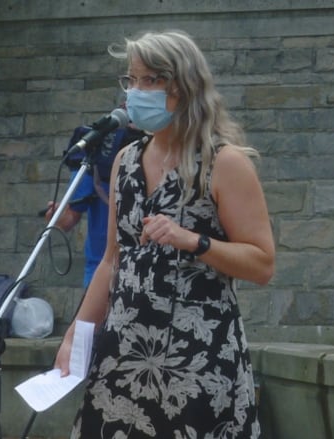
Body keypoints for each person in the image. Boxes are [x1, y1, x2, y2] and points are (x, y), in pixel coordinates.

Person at [53, 29, 275, 438]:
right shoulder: (126, 161)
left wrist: (195, 241)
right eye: (131, 80)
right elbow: (111, 261)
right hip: (123, 354)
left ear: (184, 87)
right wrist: (75, 335)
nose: (137, 92)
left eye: (150, 81)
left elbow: (262, 263)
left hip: (199, 361)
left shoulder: (223, 163)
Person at [44, 122, 144, 289]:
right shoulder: (104, 147)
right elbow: (67, 220)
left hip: (149, 268)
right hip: (101, 269)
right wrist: (55, 216)